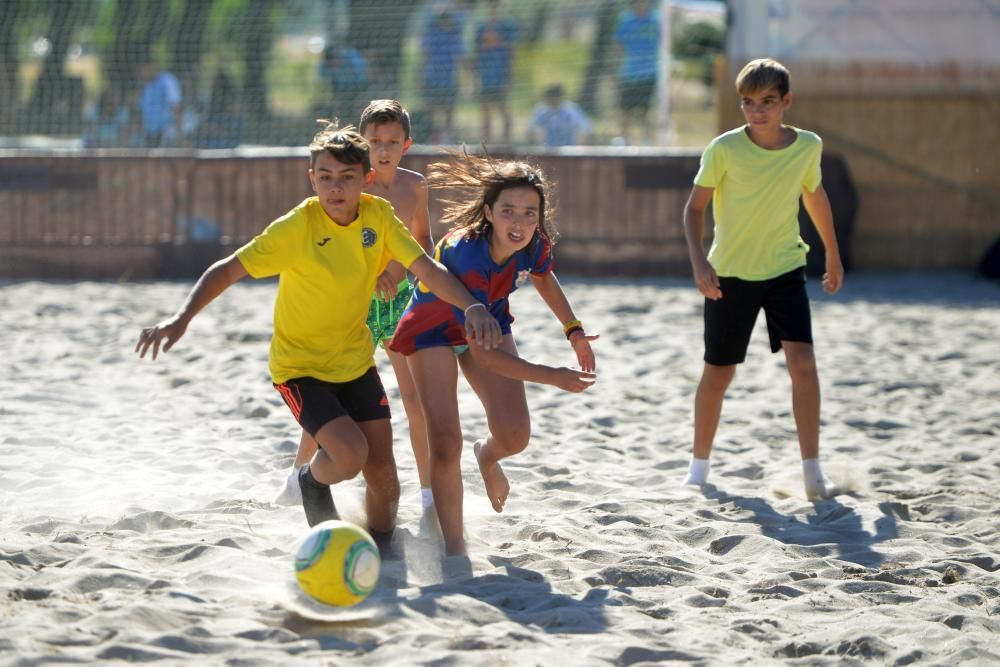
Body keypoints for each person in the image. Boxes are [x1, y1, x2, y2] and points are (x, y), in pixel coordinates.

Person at [135, 123, 502, 557]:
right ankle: (311, 482)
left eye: (346, 177)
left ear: (366, 180)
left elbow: (425, 267)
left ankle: (380, 552)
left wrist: (471, 305)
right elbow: (228, 268)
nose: (335, 187)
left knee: (385, 485)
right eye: (325, 177)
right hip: (300, 369)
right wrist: (182, 317)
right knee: (349, 455)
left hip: (354, 363)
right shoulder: (297, 226)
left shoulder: (378, 217)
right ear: (313, 179)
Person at [388, 152, 599, 556]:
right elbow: (486, 359)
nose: (518, 223)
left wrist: (574, 330)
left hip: (488, 317)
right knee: (446, 441)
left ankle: (486, 457)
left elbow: (545, 278)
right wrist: (552, 376)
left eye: (529, 213)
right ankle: (454, 548)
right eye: (508, 212)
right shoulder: (468, 254)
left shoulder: (533, 243)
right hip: (433, 327)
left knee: (515, 435)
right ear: (488, 212)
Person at [680, 58, 844, 500]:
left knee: (803, 364)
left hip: (785, 268)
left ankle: (813, 473)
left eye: (767, 101)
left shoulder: (808, 146)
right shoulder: (724, 149)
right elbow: (694, 209)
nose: (757, 111)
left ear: (786, 101)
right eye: (748, 103)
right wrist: (699, 263)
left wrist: (832, 252)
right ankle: (698, 469)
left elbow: (815, 195)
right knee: (719, 372)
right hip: (729, 274)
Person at [274, 101, 438, 525]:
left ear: (407, 145)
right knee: (331, 393)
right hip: (357, 303)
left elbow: (422, 243)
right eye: (375, 141)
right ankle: (297, 477)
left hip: (401, 300)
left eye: (393, 142)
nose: (384, 150)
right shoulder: (349, 188)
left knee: (415, 399)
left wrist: (401, 269)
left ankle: (428, 492)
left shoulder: (415, 186)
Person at [614, 0, 660, 145]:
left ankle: (646, 140)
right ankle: (623, 140)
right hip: (629, 72)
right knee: (625, 109)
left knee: (645, 110)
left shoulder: (656, 19)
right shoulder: (626, 20)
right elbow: (619, 44)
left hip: (649, 72)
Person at [474, 0, 518, 145]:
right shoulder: (481, 27)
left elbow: (513, 52)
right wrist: (475, 77)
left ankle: (507, 143)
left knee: (504, 109)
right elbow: (476, 52)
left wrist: (510, 76)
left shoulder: (508, 26)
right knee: (486, 113)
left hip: (501, 74)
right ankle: (487, 144)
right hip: (485, 76)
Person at [421, 9, 465, 143]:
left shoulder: (454, 37)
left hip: (449, 80)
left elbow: (460, 59)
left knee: (449, 111)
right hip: (432, 78)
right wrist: (421, 75)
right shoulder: (432, 35)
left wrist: (461, 79)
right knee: (431, 109)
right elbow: (425, 56)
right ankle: (430, 136)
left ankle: (447, 138)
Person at [527, 84, 592, 147]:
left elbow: (585, 129)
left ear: (558, 98)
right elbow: (532, 128)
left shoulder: (571, 110)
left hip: (568, 151)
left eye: (552, 98)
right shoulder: (541, 110)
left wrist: (580, 145)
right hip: (547, 152)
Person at [195, 71, 246, 149]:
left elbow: (232, 130)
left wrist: (214, 130)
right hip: (209, 147)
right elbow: (201, 127)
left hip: (228, 147)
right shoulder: (209, 104)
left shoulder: (234, 102)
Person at [137, 61, 182, 148]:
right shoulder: (146, 86)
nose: (142, 73)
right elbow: (141, 110)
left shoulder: (167, 80)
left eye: (144, 69)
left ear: (152, 67)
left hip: (165, 132)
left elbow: (175, 105)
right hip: (149, 133)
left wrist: (179, 133)